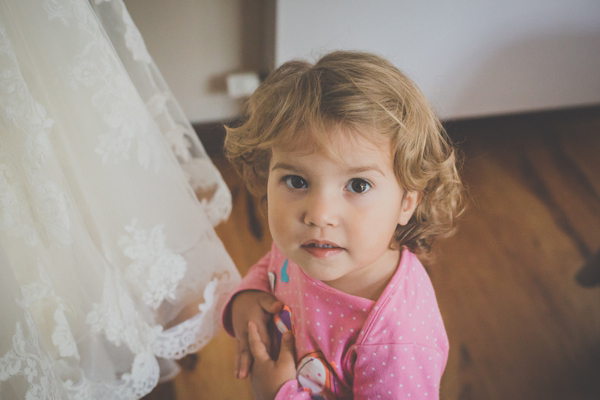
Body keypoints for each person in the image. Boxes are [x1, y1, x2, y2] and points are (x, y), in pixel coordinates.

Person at [221, 51, 465, 400]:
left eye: (358, 185)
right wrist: (248, 295)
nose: (318, 215)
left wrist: (280, 394)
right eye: (295, 181)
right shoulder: (311, 245)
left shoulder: (396, 337)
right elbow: (276, 264)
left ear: (407, 202)